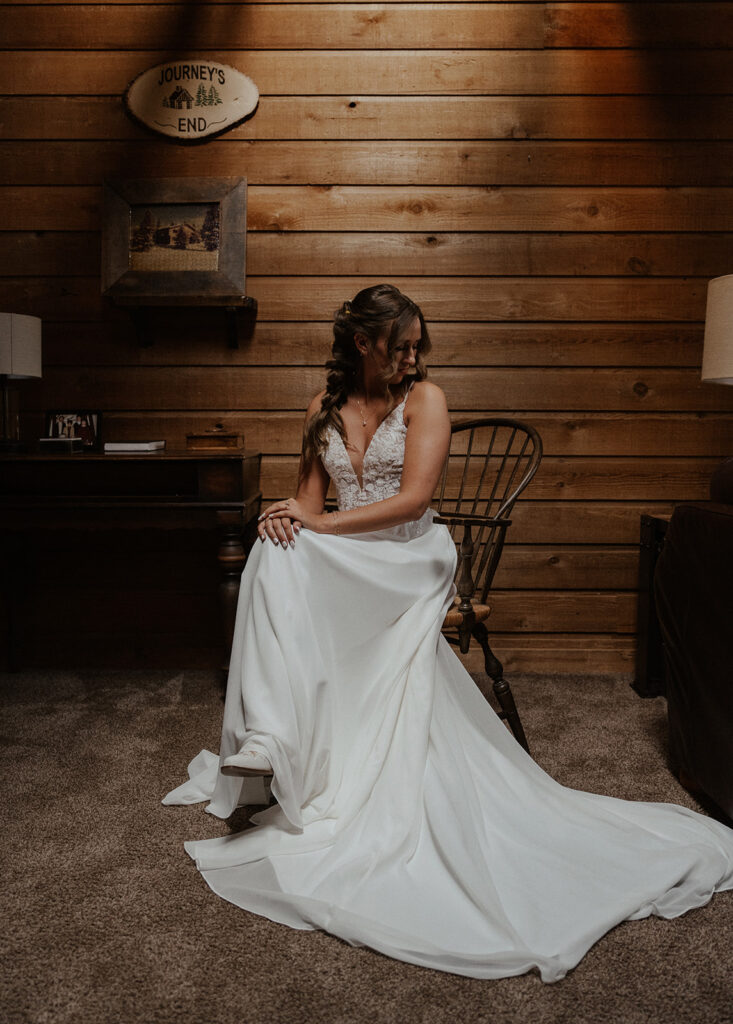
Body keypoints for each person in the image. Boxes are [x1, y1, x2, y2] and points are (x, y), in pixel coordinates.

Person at [163, 283, 733, 982]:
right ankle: (269, 738)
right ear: (361, 343)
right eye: (399, 344)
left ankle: (273, 732)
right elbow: (310, 503)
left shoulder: (425, 401)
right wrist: (287, 515)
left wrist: (317, 525)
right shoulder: (320, 410)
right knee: (272, 546)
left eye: (416, 345)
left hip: (407, 555)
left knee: (299, 544)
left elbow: (413, 500)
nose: (410, 356)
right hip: (343, 554)